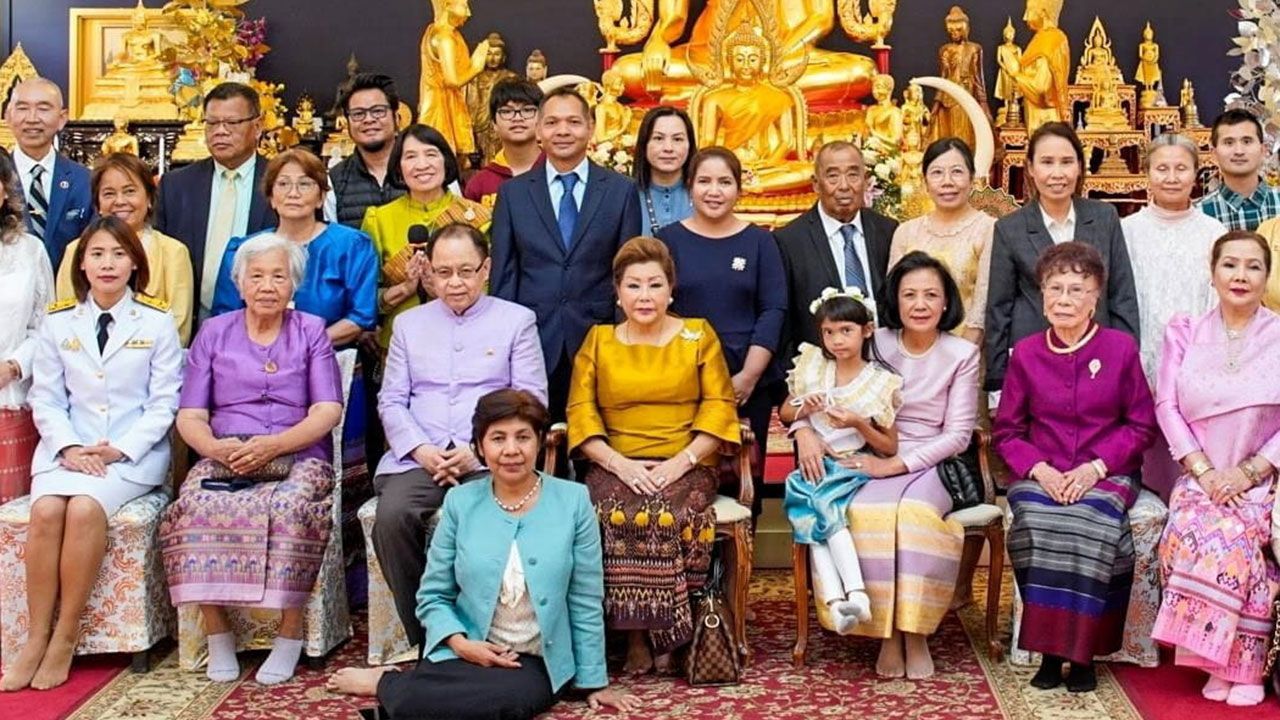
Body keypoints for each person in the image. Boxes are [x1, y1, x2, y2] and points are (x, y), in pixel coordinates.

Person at [326, 389, 640, 718]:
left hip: (534, 659)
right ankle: (406, 688)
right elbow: (433, 595)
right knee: (468, 696)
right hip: (469, 648)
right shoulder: (461, 502)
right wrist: (462, 644)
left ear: (540, 441)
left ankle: (390, 688)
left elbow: (585, 598)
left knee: (510, 703)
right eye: (498, 438)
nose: (511, 450)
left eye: (523, 437)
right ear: (478, 447)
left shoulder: (574, 501)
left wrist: (593, 681)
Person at [2, 215, 181, 691]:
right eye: (97, 254)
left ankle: (65, 636)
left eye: (118, 254)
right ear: (81, 264)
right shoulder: (59, 323)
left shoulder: (158, 322)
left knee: (83, 509)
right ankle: (34, 637)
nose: (107, 264)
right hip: (66, 450)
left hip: (130, 456)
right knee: (45, 511)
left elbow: (163, 403)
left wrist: (118, 450)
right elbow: (46, 397)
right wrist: (70, 445)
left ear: (134, 264)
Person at [159, 234, 343, 685]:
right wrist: (216, 449)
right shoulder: (214, 332)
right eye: (256, 276)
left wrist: (276, 444)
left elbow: (327, 411)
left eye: (278, 275)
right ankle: (218, 631)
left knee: (291, 508)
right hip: (225, 454)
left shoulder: (311, 331)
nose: (266, 285)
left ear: (292, 284)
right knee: (194, 506)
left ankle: (290, 634)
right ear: (239, 284)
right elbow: (191, 414)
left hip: (297, 454)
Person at [567, 237, 740, 674]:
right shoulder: (599, 340)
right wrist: (619, 464)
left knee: (664, 512)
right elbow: (580, 413)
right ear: (618, 293)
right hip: (614, 462)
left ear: (671, 290)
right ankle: (636, 637)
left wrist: (677, 464)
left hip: (687, 461)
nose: (645, 296)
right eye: (634, 286)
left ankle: (672, 633)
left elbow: (720, 407)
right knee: (614, 513)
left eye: (654, 285)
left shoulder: (697, 335)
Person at [372, 222, 547, 650]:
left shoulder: (516, 321)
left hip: (492, 460)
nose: (455, 283)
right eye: (443, 272)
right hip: (419, 458)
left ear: (485, 269)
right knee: (392, 517)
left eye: (466, 271)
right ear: (427, 272)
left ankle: (492, 635)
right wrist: (422, 450)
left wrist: (476, 453)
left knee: (481, 519)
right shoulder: (410, 324)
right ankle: (432, 638)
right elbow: (391, 400)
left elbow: (532, 399)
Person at [994, 241, 1157, 693]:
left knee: (1090, 523)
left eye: (1076, 289)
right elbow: (1007, 432)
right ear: (1042, 295)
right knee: (1037, 523)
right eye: (1054, 288)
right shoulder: (1026, 353)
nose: (1064, 299)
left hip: (1107, 470)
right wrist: (1041, 471)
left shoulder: (1120, 348)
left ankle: (1081, 656)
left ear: (1095, 297)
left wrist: (1095, 470)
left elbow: (1142, 425)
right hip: (1042, 471)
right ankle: (1049, 653)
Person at [210, 147, 378, 570]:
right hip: (253, 376)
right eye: (283, 183)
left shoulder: (351, 244)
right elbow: (227, 317)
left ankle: (341, 576)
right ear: (269, 196)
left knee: (341, 476)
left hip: (334, 369)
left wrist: (304, 343)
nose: (293, 192)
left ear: (322, 194)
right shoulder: (246, 249)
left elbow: (361, 316)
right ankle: (247, 569)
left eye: (305, 183)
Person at [1151, 231, 1280, 707]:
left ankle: (1240, 664)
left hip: (1264, 479)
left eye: (1252, 266)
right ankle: (1220, 660)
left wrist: (1248, 474)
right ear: (1213, 273)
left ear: (1267, 277)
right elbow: (1166, 405)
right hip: (1200, 477)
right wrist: (1205, 472)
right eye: (1230, 265)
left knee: (1241, 538)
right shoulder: (1185, 330)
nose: (1240, 276)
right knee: (1192, 528)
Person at [833, 252, 976, 680]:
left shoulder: (962, 353)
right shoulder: (877, 342)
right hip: (875, 450)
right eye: (909, 294)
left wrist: (899, 465)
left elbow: (958, 436)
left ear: (946, 302)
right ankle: (886, 635)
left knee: (912, 516)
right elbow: (831, 386)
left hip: (931, 459)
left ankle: (916, 633)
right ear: (895, 300)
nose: (920, 304)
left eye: (931, 294)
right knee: (867, 514)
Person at [491, 86, 642, 421]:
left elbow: (628, 272)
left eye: (573, 122)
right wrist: (506, 344)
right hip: (533, 339)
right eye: (553, 122)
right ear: (539, 130)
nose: (563, 131)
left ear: (591, 128)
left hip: (598, 337)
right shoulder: (513, 194)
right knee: (536, 439)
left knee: (596, 441)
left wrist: (623, 340)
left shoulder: (620, 191)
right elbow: (504, 274)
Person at [657, 147, 786, 484]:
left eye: (725, 182)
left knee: (743, 476)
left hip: (745, 377)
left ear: (739, 189)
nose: (714, 191)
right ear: (689, 186)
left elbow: (773, 309)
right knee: (686, 480)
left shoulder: (760, 242)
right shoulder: (667, 241)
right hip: (681, 377)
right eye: (704, 181)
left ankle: (744, 538)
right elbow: (656, 308)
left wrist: (748, 376)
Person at [984, 122, 1139, 396]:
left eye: (1066, 162)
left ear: (1080, 166)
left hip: (1098, 357)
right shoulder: (1010, 228)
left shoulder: (1105, 218)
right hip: (1035, 360)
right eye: (1046, 162)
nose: (1057, 173)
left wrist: (1126, 362)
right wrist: (998, 383)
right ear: (1031, 168)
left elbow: (1122, 295)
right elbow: (999, 309)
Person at [783, 289, 901, 634]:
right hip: (816, 464)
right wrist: (807, 407)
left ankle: (857, 593)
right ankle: (837, 603)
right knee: (809, 523)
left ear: (866, 330)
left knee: (822, 507)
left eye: (845, 330)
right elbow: (787, 410)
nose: (836, 340)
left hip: (850, 463)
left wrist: (857, 423)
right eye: (828, 332)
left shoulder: (879, 380)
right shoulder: (814, 366)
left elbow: (889, 445)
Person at [1122, 134, 1226, 497]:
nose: (1171, 177)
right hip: (1139, 361)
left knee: (1191, 456)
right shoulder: (1127, 231)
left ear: (1196, 173)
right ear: (1147, 174)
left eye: (1181, 168)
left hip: (1196, 362)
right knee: (1144, 459)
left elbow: (1220, 303)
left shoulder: (1215, 233)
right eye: (1161, 168)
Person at [153, 81, 276, 322]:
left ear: (258, 126)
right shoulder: (176, 185)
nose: (220, 131)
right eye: (212, 123)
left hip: (263, 318)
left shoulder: (280, 182)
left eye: (231, 123)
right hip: (191, 319)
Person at [361, 124, 490, 352]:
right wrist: (405, 288)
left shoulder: (478, 216)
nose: (422, 165)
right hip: (403, 345)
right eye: (410, 157)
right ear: (398, 168)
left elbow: (494, 287)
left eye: (431, 154)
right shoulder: (378, 219)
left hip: (472, 341)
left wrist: (444, 288)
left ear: (446, 162)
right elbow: (364, 296)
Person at [776, 141, 898, 361]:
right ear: (816, 184)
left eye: (853, 175)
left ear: (866, 180)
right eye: (832, 176)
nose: (844, 186)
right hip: (822, 370)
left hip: (887, 362)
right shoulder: (788, 241)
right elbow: (784, 322)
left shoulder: (888, 231)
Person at [56, 153, 195, 344]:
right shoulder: (75, 250)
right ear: (98, 204)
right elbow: (64, 322)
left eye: (129, 191)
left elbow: (178, 328)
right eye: (109, 193)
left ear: (149, 198)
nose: (120, 201)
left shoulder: (173, 252)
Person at [888, 138, 993, 345]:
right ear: (925, 182)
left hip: (969, 351)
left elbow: (983, 307)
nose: (947, 182)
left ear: (972, 178)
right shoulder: (906, 232)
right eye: (937, 173)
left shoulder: (989, 230)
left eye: (957, 172)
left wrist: (960, 360)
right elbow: (893, 299)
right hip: (912, 352)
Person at [0, 150, 52, 504]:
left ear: (5, 190)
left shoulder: (29, 250)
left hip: (11, 398)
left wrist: (14, 366)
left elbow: (47, 328)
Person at [4, 78, 92, 269]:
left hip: (70, 292)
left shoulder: (85, 180)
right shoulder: (1, 179)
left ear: (62, 119)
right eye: (22, 108)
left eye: (43, 108)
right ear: (8, 116)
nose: (32, 118)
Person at [324, 73, 407, 228]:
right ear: (347, 122)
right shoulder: (334, 182)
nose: (368, 119)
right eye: (358, 114)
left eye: (378, 111)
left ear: (396, 118)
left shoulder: (427, 169)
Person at [462, 79, 544, 206]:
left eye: (527, 110)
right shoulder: (479, 184)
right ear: (494, 123)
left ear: (542, 119)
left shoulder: (558, 170)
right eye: (507, 111)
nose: (517, 118)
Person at [1197, 110, 1280, 232]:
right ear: (1214, 154)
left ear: (1263, 150)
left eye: (1247, 141)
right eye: (1229, 143)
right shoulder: (1200, 214)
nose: (1239, 151)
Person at [635, 107, 695, 236]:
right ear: (644, 143)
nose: (668, 148)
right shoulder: (625, 196)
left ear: (690, 145)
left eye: (677, 139)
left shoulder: (704, 194)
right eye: (658, 138)